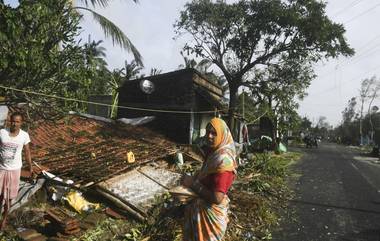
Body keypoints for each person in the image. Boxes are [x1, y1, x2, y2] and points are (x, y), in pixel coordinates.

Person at [182, 117, 237, 241]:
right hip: (202, 214)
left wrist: (192, 184)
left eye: (214, 133)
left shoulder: (223, 160)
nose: (209, 136)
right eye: (208, 132)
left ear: (222, 135)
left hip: (211, 218)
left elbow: (217, 198)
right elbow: (207, 175)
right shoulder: (214, 153)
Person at [0, 112, 32, 229]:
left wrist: (30, 167)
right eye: (13, 121)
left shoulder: (24, 136)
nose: (14, 124)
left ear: (21, 123)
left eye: (17, 122)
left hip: (15, 170)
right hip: (2, 169)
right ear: (10, 121)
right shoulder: (2, 133)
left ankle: (4, 218)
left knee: (9, 197)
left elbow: (27, 152)